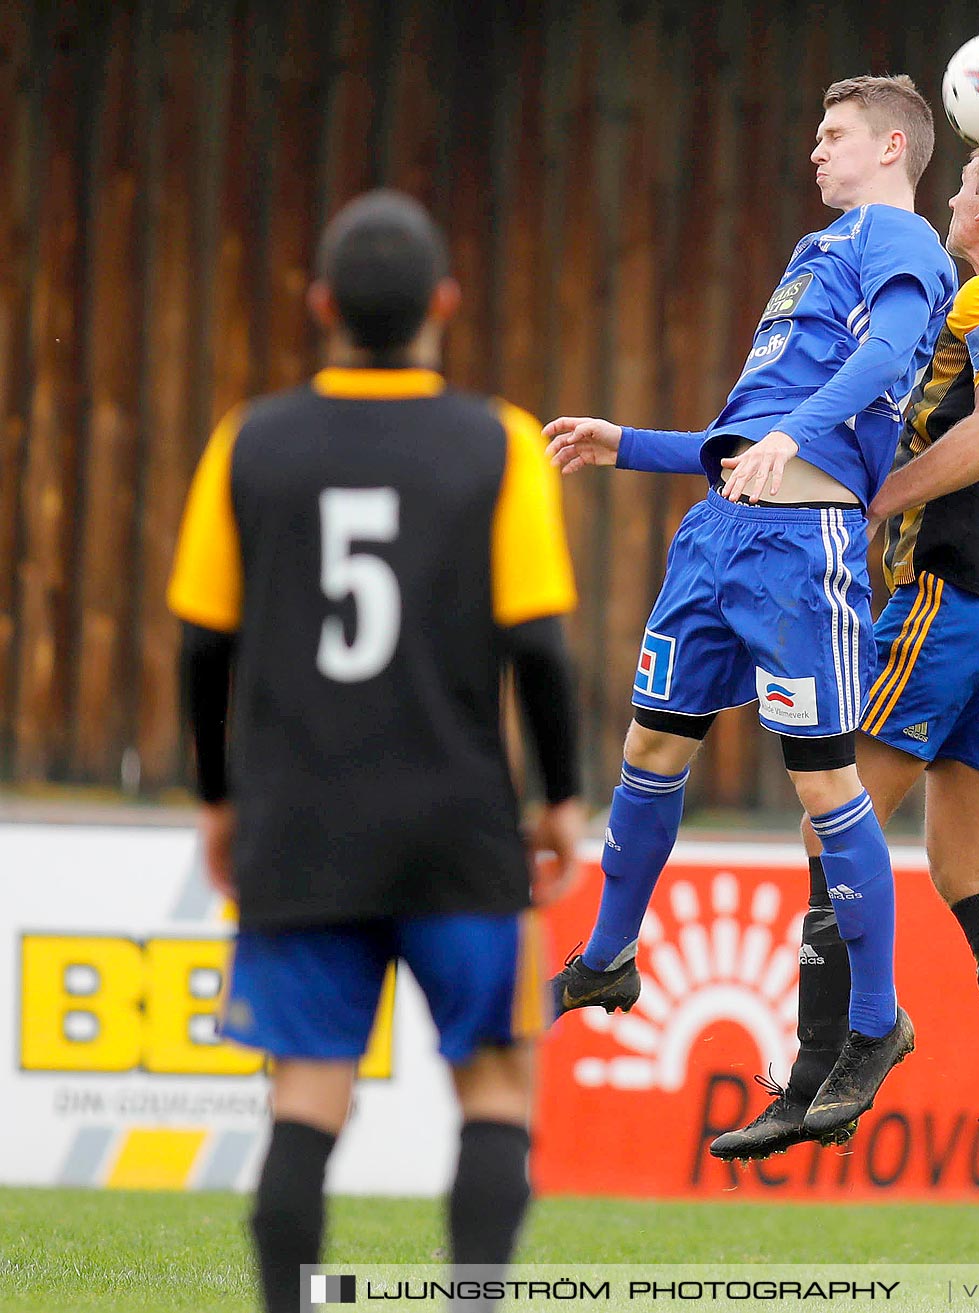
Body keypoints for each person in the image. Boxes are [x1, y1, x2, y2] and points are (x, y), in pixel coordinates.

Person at [708, 102, 979, 1213]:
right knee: (969, 869)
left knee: (833, 813)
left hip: (952, 591)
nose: (950, 197)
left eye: (963, 185)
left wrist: (880, 492)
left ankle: (830, 1059)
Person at [166, 190, 584, 1313]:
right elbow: (539, 646)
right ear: (446, 304)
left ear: (319, 306)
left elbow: (201, 645)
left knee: (305, 1097)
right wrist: (562, 799)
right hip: (458, 824)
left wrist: (218, 797)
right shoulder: (497, 440)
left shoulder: (250, 439)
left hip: (301, 824)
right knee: (496, 1087)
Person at [542, 74, 958, 1141]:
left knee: (823, 782)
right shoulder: (813, 255)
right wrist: (625, 443)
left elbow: (878, 363)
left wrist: (796, 437)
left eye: (833, 136)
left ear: (894, 145)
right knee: (651, 739)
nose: (815, 153)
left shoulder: (899, 244)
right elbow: (751, 431)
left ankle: (875, 1020)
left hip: (799, 546)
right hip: (718, 538)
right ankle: (607, 956)